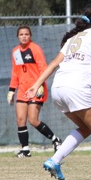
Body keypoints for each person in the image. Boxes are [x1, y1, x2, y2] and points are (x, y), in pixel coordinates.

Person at [25, 2, 91, 180]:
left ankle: (54, 160)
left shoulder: (75, 38)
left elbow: (54, 63)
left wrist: (36, 84)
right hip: (77, 87)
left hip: (58, 88)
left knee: (85, 128)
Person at [8, 26, 61, 157]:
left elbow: (43, 68)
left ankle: (55, 140)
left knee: (33, 120)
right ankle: (25, 150)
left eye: (26, 34)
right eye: (21, 34)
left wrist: (40, 86)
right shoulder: (15, 51)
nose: (24, 36)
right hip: (22, 90)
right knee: (20, 120)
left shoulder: (35, 49)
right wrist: (11, 90)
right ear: (18, 36)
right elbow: (15, 72)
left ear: (30, 36)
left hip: (36, 88)